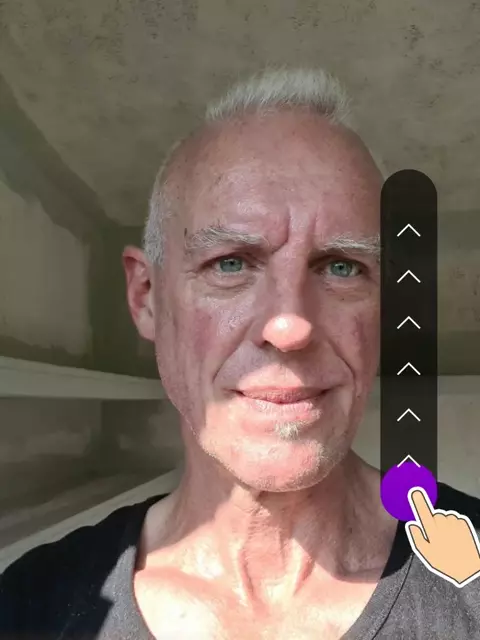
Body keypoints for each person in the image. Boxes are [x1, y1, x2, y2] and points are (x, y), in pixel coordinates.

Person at [1, 68, 480, 640]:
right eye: (230, 263)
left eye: (342, 267)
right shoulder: (28, 609)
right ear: (146, 296)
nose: (290, 326)